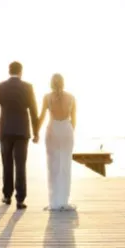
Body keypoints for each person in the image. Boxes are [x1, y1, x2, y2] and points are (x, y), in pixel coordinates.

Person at [0, 61, 40, 209]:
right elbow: (33, 111)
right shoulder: (28, 87)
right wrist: (36, 132)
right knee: (20, 164)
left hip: (5, 130)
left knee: (7, 163)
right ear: (21, 72)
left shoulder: (0, 87)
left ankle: (6, 195)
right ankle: (20, 199)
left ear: (9, 71)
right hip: (22, 131)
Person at [40, 73, 76, 211]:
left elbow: (42, 116)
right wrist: (69, 132)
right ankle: (63, 201)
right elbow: (74, 120)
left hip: (53, 130)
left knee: (53, 166)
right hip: (66, 130)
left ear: (51, 83)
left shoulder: (47, 98)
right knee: (65, 165)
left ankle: (54, 202)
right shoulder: (71, 97)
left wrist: (36, 131)